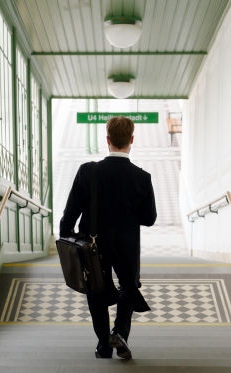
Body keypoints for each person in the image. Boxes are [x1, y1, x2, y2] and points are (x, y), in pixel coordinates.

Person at [59, 116, 157, 359]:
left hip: (93, 244)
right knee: (128, 287)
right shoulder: (142, 178)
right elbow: (149, 218)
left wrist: (66, 236)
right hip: (127, 244)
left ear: (108, 140)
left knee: (96, 290)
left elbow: (70, 213)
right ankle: (120, 333)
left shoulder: (88, 171)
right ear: (131, 140)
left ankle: (103, 345)